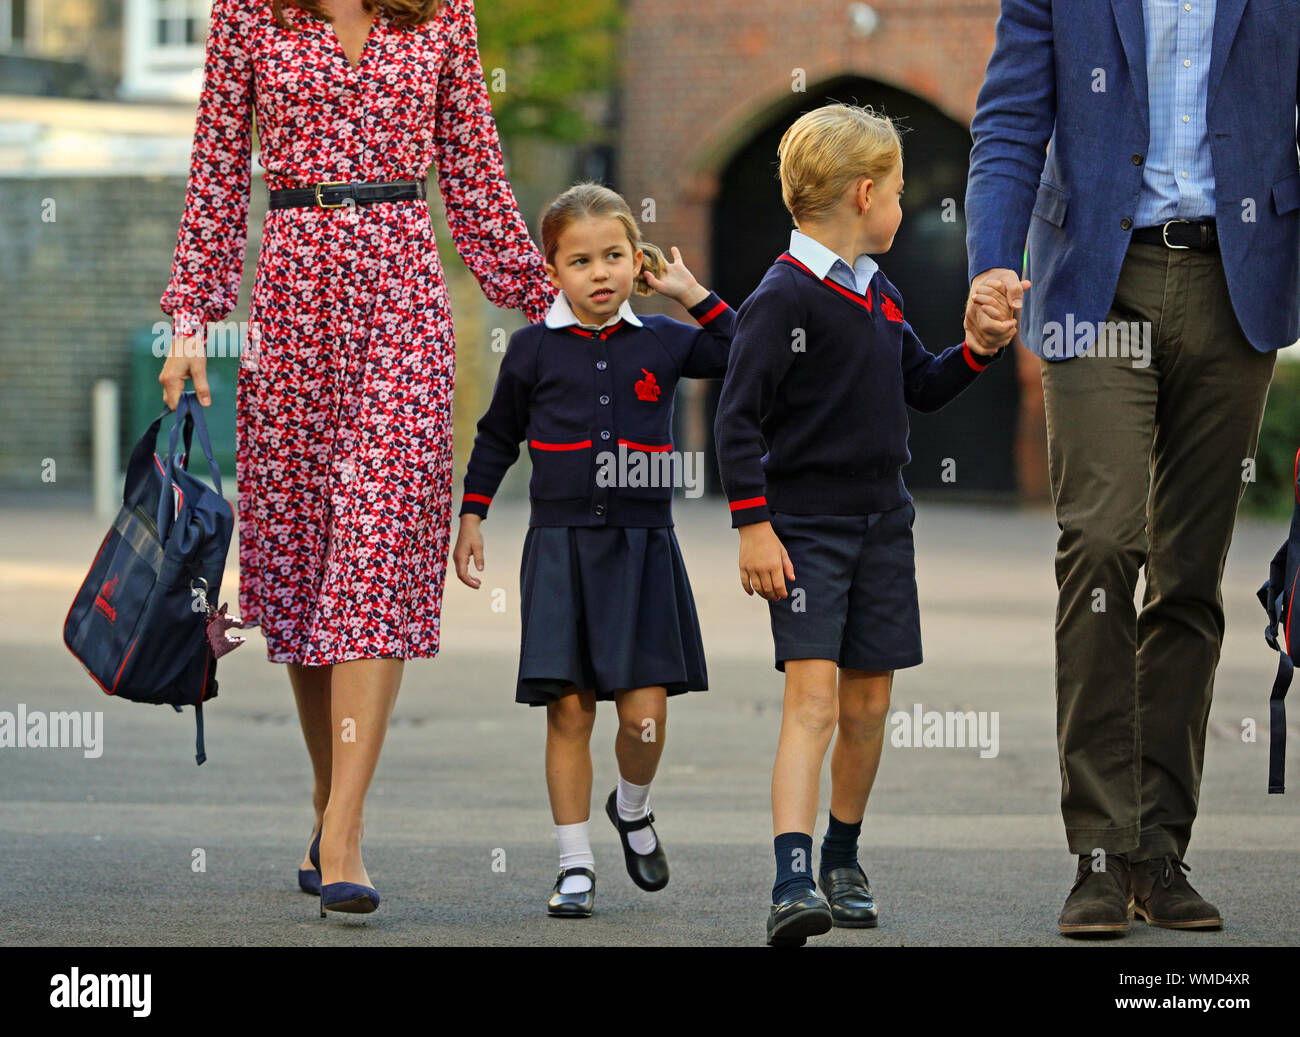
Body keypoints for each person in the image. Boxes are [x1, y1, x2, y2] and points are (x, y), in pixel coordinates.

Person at [157, 0, 556, 916]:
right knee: (302, 566)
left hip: (404, 301)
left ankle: (345, 828)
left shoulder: (441, 13)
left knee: (375, 551)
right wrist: (190, 320)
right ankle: (328, 793)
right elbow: (217, 178)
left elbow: (477, 178)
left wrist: (561, 307)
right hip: (291, 300)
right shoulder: (248, 16)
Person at [965, 0, 1300, 935]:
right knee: (1105, 541)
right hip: (1093, 283)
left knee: (1191, 575)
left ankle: (1161, 848)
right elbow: (1011, 119)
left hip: (1239, 281)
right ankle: (1099, 851)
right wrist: (991, 261)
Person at [714, 103, 1017, 947]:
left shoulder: (877, 291)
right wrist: (753, 526)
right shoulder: (781, 298)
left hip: (885, 525)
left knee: (869, 704)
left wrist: (980, 351)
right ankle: (791, 876)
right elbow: (736, 421)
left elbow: (921, 381)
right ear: (863, 192)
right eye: (897, 193)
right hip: (804, 530)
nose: (903, 206)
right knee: (811, 700)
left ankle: (843, 856)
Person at [451, 183, 736, 918]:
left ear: (635, 259)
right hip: (561, 549)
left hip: (644, 549)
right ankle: (574, 865)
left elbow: (745, 350)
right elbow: (495, 437)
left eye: (614, 255)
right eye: (580, 261)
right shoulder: (532, 348)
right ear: (552, 269)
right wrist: (472, 516)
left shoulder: (665, 340)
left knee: (644, 718)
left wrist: (691, 292)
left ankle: (632, 808)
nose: (600, 272)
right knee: (569, 713)